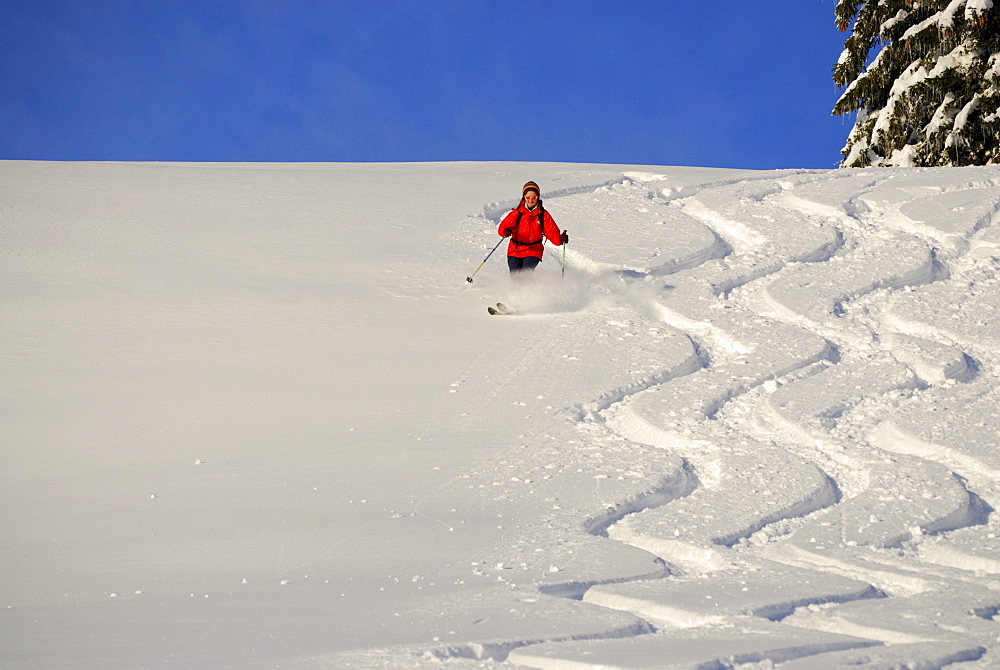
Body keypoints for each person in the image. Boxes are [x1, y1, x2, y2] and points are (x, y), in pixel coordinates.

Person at [498, 181, 568, 278]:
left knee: (525, 274)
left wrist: (560, 239)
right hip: (515, 250)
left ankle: (528, 292)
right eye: (528, 197)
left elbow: (551, 232)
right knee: (515, 276)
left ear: (537, 198)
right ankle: (516, 292)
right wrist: (505, 231)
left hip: (533, 250)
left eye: (534, 197)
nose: (531, 200)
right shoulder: (517, 213)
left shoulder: (543, 215)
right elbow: (502, 228)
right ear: (524, 198)